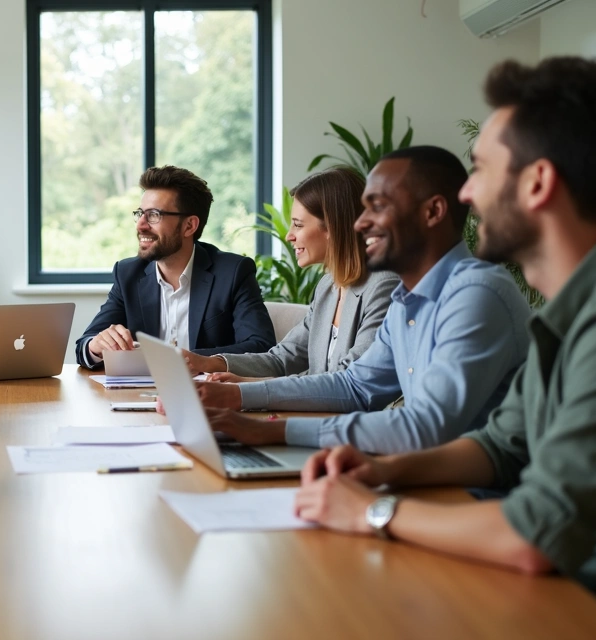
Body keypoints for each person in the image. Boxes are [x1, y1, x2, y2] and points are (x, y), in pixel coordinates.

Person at [295, 56, 596, 620]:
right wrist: (380, 471)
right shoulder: (573, 310)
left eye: (480, 170)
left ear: (538, 183)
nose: (467, 194)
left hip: (595, 608)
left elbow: (534, 535)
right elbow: (501, 446)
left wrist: (373, 513)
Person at [194, 147, 531, 455]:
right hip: (423, 475)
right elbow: (355, 386)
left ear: (433, 212)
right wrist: (240, 397)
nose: (361, 223)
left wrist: (273, 430)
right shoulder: (406, 299)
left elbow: (429, 428)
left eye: (379, 207)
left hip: (472, 497)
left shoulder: (476, 293)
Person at [183, 166, 400, 380]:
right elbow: (282, 359)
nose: (289, 236)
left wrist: (248, 389)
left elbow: (346, 380)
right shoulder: (328, 287)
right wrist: (210, 362)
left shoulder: (383, 287)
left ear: (332, 227)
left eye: (298, 225)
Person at [74, 166, 275, 369]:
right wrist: (95, 346)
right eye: (140, 214)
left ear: (189, 226)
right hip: (136, 396)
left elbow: (261, 347)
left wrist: (186, 360)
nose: (140, 225)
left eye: (153, 215)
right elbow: (83, 346)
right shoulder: (128, 274)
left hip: (208, 394)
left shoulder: (233, 272)